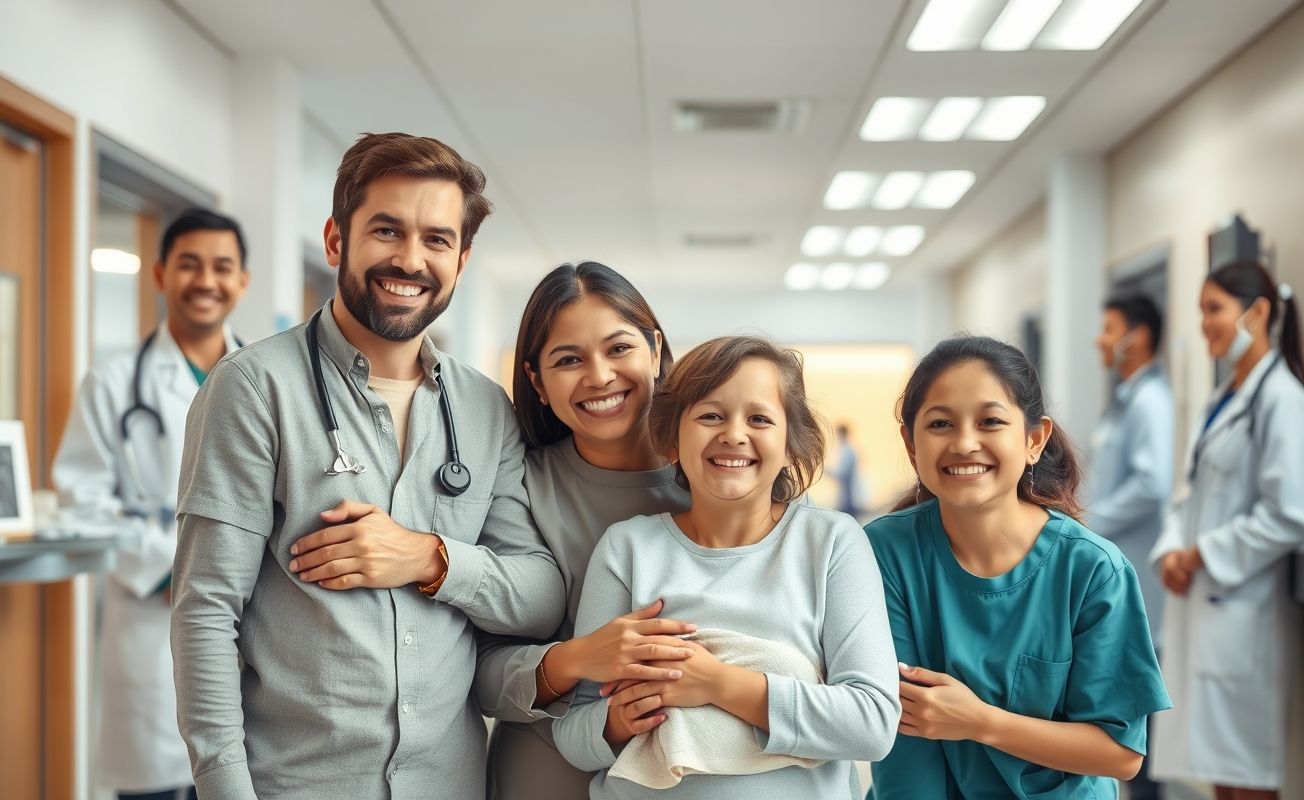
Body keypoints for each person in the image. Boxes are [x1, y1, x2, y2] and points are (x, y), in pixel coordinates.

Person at [170, 133, 565, 800]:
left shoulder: (484, 409)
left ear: (461, 260)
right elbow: (206, 612)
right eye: (387, 229)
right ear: (335, 241)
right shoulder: (256, 387)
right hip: (296, 784)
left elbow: (539, 595)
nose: (410, 259)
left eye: (437, 240)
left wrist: (427, 559)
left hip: (451, 785)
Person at [554, 335, 901, 799]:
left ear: (791, 445)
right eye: (711, 416)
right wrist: (616, 723)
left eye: (759, 418)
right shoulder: (627, 549)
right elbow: (573, 735)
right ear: (672, 439)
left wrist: (715, 682)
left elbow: (872, 724)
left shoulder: (832, 543)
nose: (734, 434)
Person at [867, 335, 1171, 799]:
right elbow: (906, 742)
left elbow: (1120, 753)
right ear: (912, 445)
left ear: (1033, 440)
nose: (965, 443)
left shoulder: (1092, 570)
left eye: (990, 421)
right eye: (941, 424)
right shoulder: (885, 551)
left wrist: (981, 722)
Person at [476, 261, 697, 800]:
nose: (599, 376)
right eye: (569, 359)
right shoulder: (517, 484)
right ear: (538, 382)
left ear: (656, 350)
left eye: (619, 349)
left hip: (699, 769)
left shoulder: (721, 473)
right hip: (551, 772)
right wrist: (578, 657)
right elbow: (478, 670)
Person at [53, 208, 250, 800]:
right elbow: (81, 503)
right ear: (161, 274)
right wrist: (174, 569)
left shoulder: (267, 380)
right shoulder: (113, 384)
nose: (205, 280)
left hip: (252, 631)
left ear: (242, 281)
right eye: (189, 264)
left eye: (222, 266)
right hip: (153, 625)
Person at [1149, 260, 1304, 800]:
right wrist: (1172, 550)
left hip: (1248, 613)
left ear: (1257, 313)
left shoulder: (1282, 399)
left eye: (1214, 309)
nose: (1205, 324)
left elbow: (1290, 512)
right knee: (1217, 765)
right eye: (1201, 311)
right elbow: (1187, 492)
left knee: (1247, 772)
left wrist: (1200, 555)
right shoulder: (1223, 401)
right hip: (1207, 605)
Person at [1086, 295, 1173, 798]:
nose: (1101, 339)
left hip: (1138, 575)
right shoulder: (1126, 397)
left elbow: (1152, 483)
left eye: (1108, 327)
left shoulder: (1151, 401)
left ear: (1136, 337)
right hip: (1121, 570)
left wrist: (1088, 526)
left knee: (1138, 735)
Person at [832, 423, 865, 517]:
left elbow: (842, 474)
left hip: (850, 498)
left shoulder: (848, 451)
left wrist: (826, 471)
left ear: (841, 434)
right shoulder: (848, 450)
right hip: (848, 497)